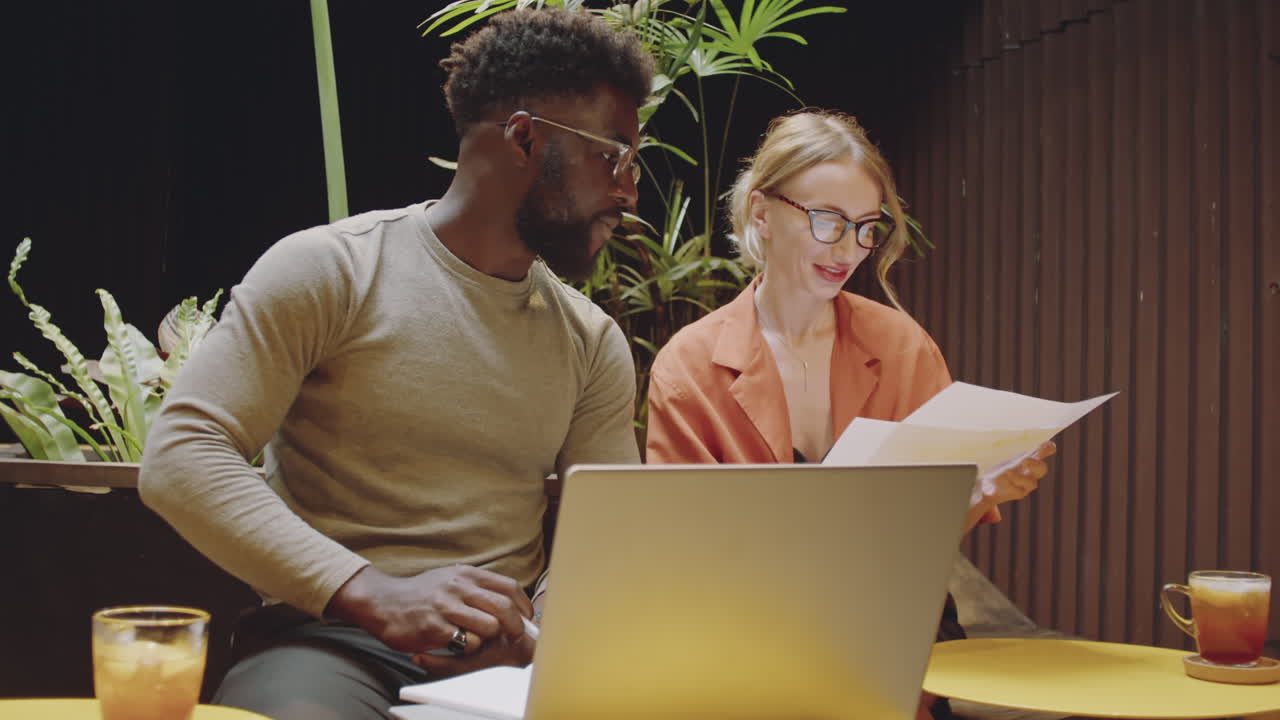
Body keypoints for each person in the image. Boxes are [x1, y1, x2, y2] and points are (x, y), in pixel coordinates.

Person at [139, 8, 654, 720]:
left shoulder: (590, 341)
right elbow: (181, 454)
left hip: (503, 666)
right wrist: (373, 592)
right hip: (326, 646)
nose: (629, 190)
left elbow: (610, 537)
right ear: (525, 138)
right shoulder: (331, 271)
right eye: (614, 156)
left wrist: (543, 632)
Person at [643, 109, 1055, 720]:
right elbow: (681, 555)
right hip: (750, 648)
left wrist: (979, 487)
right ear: (763, 213)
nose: (849, 249)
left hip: (896, 636)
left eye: (866, 227)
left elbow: (922, 527)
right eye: (828, 221)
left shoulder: (903, 346)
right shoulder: (690, 367)